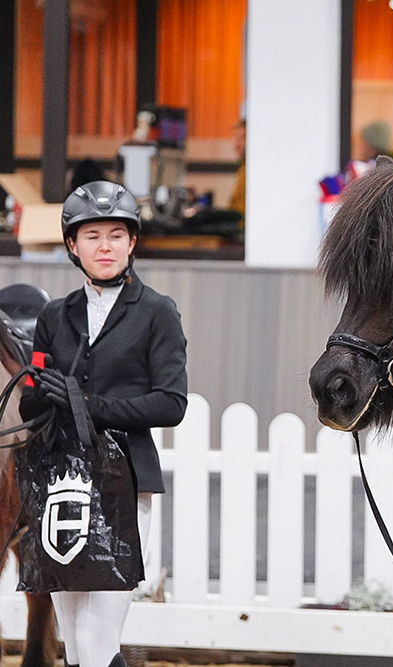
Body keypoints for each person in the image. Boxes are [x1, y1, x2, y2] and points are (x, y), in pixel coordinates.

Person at [19, 181, 188, 667]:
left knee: (97, 640)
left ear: (132, 242)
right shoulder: (55, 315)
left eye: (117, 235)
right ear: (73, 246)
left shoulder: (157, 313)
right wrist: (40, 398)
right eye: (93, 236)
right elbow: (35, 405)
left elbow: (170, 404)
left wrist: (90, 405)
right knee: (73, 640)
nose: (106, 246)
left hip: (123, 481)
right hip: (63, 484)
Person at [228, 119, 247, 220]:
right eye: (235, 138)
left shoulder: (254, 171)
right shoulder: (243, 168)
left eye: (242, 138)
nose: (236, 144)